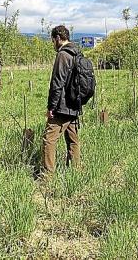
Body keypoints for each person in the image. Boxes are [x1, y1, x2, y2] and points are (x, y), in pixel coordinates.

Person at [41, 25, 82, 176]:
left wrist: (51, 107)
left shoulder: (63, 55)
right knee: (73, 139)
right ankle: (74, 172)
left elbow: (57, 83)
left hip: (62, 105)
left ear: (57, 38)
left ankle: (47, 176)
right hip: (74, 104)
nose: (53, 44)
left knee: (49, 140)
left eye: (53, 41)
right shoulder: (77, 53)